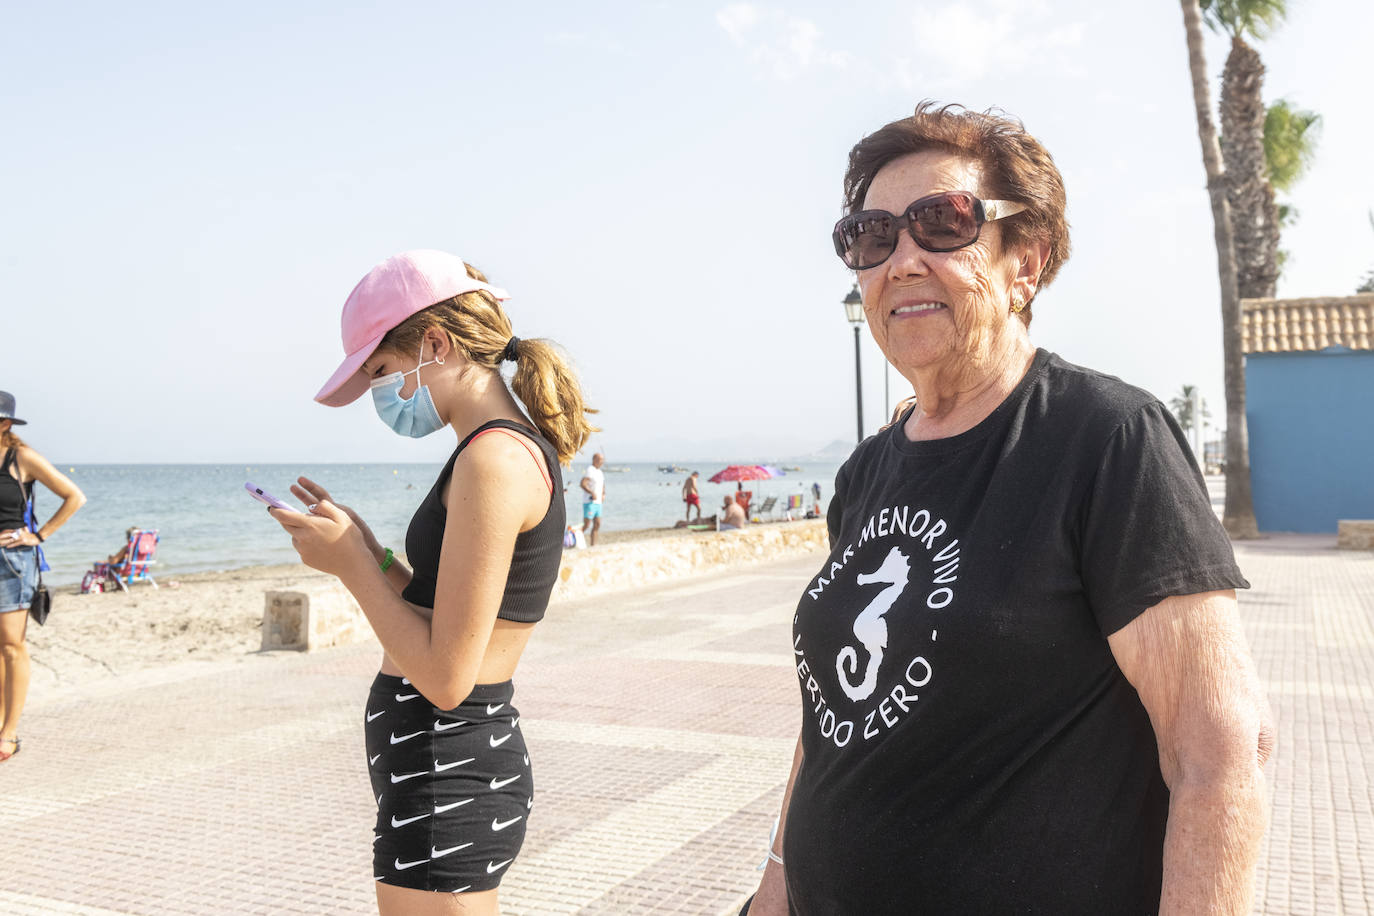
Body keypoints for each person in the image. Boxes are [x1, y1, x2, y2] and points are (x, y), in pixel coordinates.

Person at [748, 103, 1273, 915]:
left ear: (1025, 261)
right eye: (872, 236)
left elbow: (1219, 749)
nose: (902, 260)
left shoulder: (1105, 439)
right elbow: (832, 720)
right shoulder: (864, 474)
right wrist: (776, 884)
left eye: (943, 224)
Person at [268, 250, 596, 915]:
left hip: (447, 770)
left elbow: (448, 677)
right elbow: (454, 608)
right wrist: (372, 554)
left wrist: (352, 568)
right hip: (443, 770)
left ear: (436, 343)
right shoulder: (493, 450)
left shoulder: (494, 460)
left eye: (382, 371)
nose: (382, 394)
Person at [0, 390, 86, 762]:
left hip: (12, 563)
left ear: (4, 424)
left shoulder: (22, 458)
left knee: (10, 646)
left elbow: (74, 496)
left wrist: (39, 534)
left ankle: (9, 732)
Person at [579, 452, 605, 546]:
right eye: (600, 459)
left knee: (597, 524)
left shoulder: (600, 472)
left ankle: (593, 545)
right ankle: (574, 538)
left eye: (602, 459)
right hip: (589, 502)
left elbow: (602, 485)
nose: (602, 461)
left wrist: (603, 494)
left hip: (598, 503)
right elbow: (582, 484)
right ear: (594, 460)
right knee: (586, 525)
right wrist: (591, 492)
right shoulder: (590, 470)